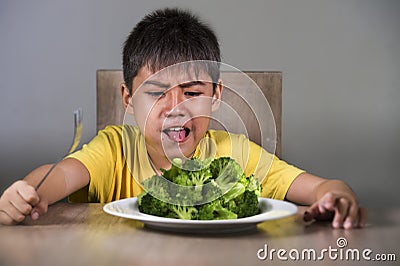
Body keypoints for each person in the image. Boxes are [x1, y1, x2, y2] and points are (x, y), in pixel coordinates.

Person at [0, 8, 366, 228]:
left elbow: (322, 188)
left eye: (192, 93)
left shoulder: (235, 155)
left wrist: (334, 197)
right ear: (128, 99)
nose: (176, 107)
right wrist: (30, 193)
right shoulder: (113, 149)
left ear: (216, 97)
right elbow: (58, 175)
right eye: (157, 92)